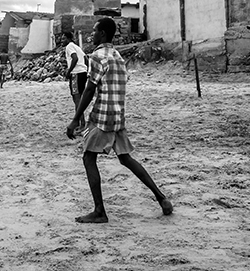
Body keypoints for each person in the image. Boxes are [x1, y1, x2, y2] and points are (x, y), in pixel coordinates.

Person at [66, 18, 173, 223]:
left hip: (103, 118)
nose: (92, 35)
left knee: (88, 158)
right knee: (126, 159)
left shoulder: (96, 56)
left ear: (103, 34)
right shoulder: (117, 56)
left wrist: (75, 119)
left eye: (95, 31)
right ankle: (162, 199)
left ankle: (99, 211)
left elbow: (89, 90)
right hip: (118, 116)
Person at [63, 31, 88, 131]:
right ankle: (80, 122)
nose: (61, 40)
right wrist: (86, 69)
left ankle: (81, 124)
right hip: (83, 73)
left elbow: (75, 58)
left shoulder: (69, 47)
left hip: (76, 74)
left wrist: (69, 71)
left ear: (68, 38)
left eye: (63, 38)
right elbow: (86, 58)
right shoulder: (77, 47)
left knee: (77, 99)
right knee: (79, 98)